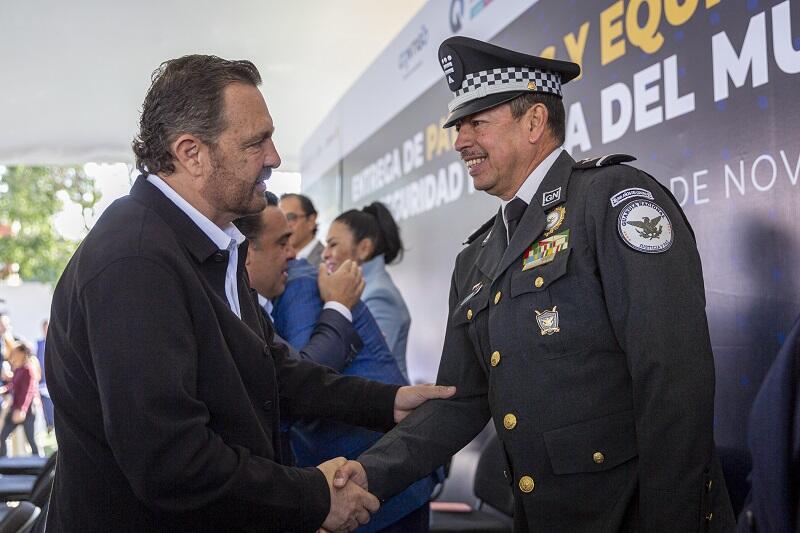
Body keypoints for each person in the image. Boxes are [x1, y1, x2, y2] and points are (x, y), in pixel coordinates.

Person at [334, 37, 736, 532]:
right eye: (459, 127)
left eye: (476, 123)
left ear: (534, 122)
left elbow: (673, 380)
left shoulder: (611, 201)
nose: (460, 141)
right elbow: (460, 400)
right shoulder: (476, 256)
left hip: (632, 513)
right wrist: (367, 474)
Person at [45, 54, 454, 532]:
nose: (274, 157)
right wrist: (313, 496)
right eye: (256, 142)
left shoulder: (212, 243)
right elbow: (172, 463)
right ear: (191, 153)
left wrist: (386, 402)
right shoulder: (136, 262)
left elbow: (269, 370)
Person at [239, 201, 438, 532]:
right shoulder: (253, 297)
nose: (295, 254)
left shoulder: (298, 286)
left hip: (379, 490)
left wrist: (336, 307)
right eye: (281, 243)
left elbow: (300, 379)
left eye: (290, 241)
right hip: (356, 481)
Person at [323, 202, 411, 382]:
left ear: (364, 248)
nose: (325, 254)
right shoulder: (366, 288)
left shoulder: (379, 294)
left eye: (333, 245)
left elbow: (370, 364)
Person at [0, 342, 40, 456]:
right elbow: (13, 386)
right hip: (16, 410)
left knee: (31, 440)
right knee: (3, 434)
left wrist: (22, 409)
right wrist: (3, 389)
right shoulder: (18, 369)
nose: (14, 355)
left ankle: (39, 465)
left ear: (22, 353)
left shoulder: (28, 369)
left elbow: (28, 391)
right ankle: (4, 464)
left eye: (16, 352)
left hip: (27, 412)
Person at [280, 193, 325, 268]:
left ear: (311, 221)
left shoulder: (327, 260)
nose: (285, 225)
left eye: (290, 217)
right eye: (281, 219)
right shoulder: (279, 261)